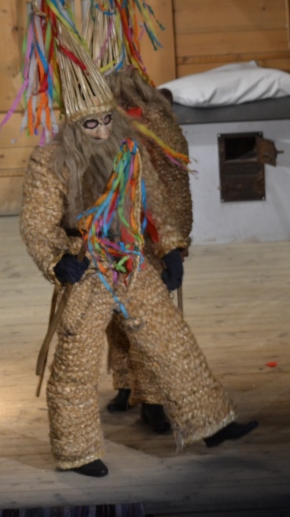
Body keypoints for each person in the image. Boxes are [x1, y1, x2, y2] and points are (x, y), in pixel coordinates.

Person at [15, 0, 255, 478]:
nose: (102, 129)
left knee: (171, 337)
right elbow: (36, 222)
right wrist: (59, 258)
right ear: (72, 124)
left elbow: (154, 199)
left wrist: (170, 246)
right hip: (87, 268)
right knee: (76, 359)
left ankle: (210, 421)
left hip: (131, 259)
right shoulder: (49, 162)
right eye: (91, 124)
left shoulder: (128, 148)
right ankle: (78, 451)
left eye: (107, 119)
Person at [103, 66, 193, 436]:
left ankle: (153, 400)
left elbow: (174, 181)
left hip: (146, 236)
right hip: (109, 235)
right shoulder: (100, 122)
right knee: (116, 316)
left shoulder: (157, 123)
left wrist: (176, 241)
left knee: (146, 318)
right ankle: (127, 384)